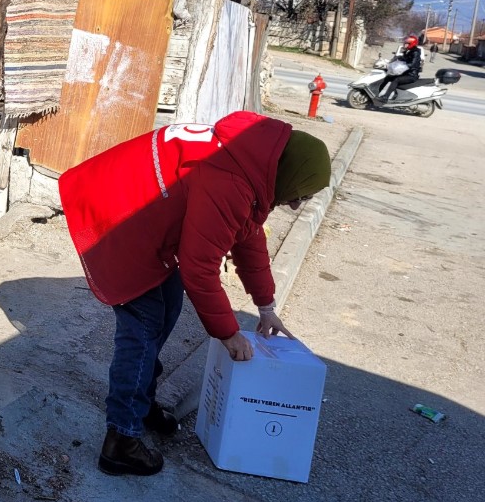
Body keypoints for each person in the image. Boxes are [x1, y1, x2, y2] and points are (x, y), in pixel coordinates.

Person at [59, 111, 332, 477]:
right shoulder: (230, 182)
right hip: (119, 220)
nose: (296, 205)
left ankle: (142, 401)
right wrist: (228, 333)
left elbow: (248, 237)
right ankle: (121, 438)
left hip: (145, 219)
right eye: (300, 195)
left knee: (168, 310)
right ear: (291, 174)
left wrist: (266, 306)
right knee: (142, 330)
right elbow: (199, 267)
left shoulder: (251, 165)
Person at [380, 35, 424, 100]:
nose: (404, 44)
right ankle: (379, 92)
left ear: (411, 44)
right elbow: (404, 59)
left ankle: (386, 97)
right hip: (406, 73)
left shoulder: (415, 52)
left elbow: (412, 64)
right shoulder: (408, 51)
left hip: (411, 75)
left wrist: (401, 67)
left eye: (406, 43)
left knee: (396, 80)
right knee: (388, 77)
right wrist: (397, 60)